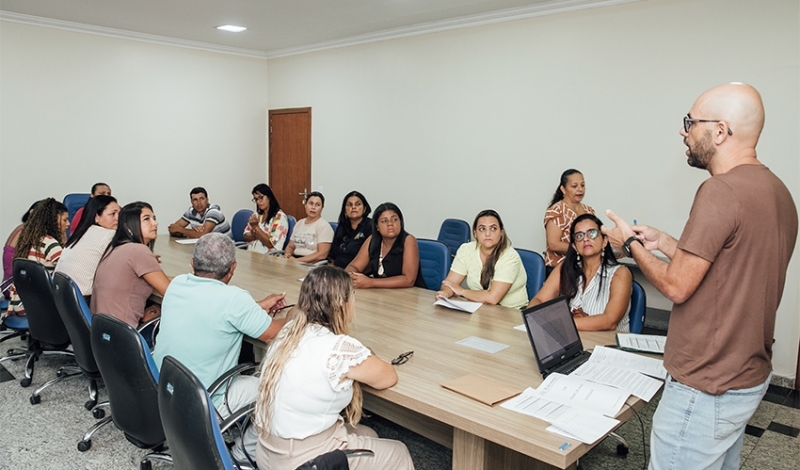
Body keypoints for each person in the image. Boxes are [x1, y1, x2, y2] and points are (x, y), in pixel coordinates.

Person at [602, 83, 797, 470]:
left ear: (721, 131)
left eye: (690, 122)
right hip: (745, 375)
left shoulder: (719, 191)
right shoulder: (778, 192)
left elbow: (677, 285)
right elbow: (732, 266)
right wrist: (666, 243)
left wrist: (631, 244)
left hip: (705, 385)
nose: (683, 131)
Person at [253, 266, 415, 470]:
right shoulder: (338, 348)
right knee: (398, 452)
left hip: (267, 451)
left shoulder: (288, 332)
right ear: (342, 304)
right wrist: (367, 355)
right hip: (304, 461)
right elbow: (387, 377)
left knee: (368, 434)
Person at [153, 233, 289, 462]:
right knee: (278, 389)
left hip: (163, 392)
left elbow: (210, 308)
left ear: (192, 263)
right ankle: (241, 456)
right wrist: (298, 314)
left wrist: (255, 308)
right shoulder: (234, 299)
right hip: (202, 403)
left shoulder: (176, 284)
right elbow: (273, 333)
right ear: (233, 268)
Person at [528, 214, 632, 331]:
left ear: (604, 241)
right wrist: (534, 318)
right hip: (573, 341)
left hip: (608, 345)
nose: (585, 239)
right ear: (575, 247)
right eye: (579, 236)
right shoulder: (565, 268)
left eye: (592, 233)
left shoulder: (620, 273)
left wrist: (559, 323)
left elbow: (609, 321)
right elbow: (539, 300)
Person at [92, 202, 171, 328]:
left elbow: (159, 279)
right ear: (128, 227)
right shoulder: (138, 251)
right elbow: (170, 292)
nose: (155, 223)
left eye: (154, 218)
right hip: (126, 337)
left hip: (103, 333)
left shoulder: (114, 247)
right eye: (147, 219)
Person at [436, 210, 528, 308]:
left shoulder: (510, 256)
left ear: (501, 232)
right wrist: (445, 293)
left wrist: (461, 291)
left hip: (512, 313)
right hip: (481, 309)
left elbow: (492, 298)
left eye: (493, 228)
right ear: (475, 233)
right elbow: (450, 283)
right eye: (482, 229)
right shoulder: (466, 250)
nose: (487, 234)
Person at [6, 198, 70, 317]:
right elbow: (69, 272)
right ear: (54, 220)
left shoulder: (29, 240)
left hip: (21, 302)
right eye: (65, 220)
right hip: (37, 307)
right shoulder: (50, 243)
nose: (68, 224)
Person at [345, 202, 426, 289]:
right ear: (377, 226)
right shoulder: (372, 240)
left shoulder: (409, 240)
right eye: (384, 221)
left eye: (394, 219)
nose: (390, 224)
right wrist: (351, 276)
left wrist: (370, 282)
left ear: (401, 223)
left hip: (410, 295)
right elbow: (354, 266)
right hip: (382, 294)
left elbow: (408, 280)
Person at [54, 195, 120, 299]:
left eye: (119, 213)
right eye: (113, 214)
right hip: (81, 299)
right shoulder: (109, 234)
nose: (118, 218)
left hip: (59, 296)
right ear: (97, 217)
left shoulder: (81, 233)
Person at [543, 169, 595, 270]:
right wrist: (581, 248)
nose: (580, 189)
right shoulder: (556, 211)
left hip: (585, 268)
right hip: (559, 268)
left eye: (582, 185)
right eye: (574, 186)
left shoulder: (589, 211)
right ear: (563, 189)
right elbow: (553, 244)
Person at [283, 191, 334, 263]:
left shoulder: (324, 226)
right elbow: (290, 246)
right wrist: (287, 255)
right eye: (311, 203)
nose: (313, 207)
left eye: (317, 205)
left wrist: (298, 261)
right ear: (305, 205)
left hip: (312, 264)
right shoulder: (299, 223)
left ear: (322, 208)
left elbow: (322, 255)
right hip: (295, 261)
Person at [328, 191, 373, 268]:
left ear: (365, 208)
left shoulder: (370, 226)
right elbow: (332, 254)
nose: (353, 207)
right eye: (349, 205)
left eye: (357, 204)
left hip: (359, 272)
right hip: (337, 271)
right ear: (345, 210)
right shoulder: (342, 226)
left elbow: (372, 259)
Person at [3, 201, 41, 290]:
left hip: (6, 284)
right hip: (14, 287)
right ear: (32, 212)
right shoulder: (27, 231)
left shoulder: (20, 227)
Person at [243, 184, 289, 254]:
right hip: (252, 255)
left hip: (268, 258)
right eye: (256, 199)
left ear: (269, 197)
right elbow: (245, 236)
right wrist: (258, 235)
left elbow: (270, 243)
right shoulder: (257, 214)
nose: (258, 202)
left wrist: (256, 228)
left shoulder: (279, 217)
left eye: (261, 198)